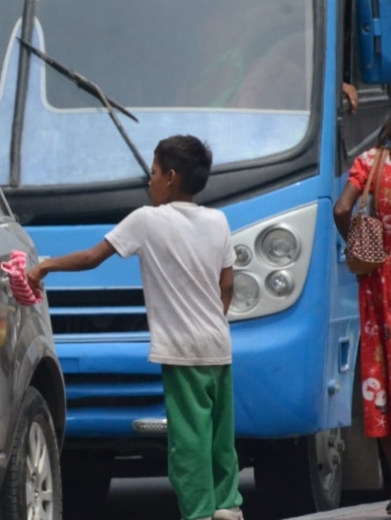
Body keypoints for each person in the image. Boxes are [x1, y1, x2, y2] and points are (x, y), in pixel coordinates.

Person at [27, 135, 243, 520]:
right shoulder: (219, 220)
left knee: (188, 440)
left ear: (171, 177)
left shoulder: (147, 220)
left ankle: (199, 513)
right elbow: (227, 285)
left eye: (154, 173)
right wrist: (211, 319)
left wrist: (45, 266)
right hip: (218, 345)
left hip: (182, 351)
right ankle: (228, 505)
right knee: (218, 435)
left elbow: (93, 257)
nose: (150, 181)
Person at [333, 119, 391, 513]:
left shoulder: (371, 161)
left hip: (377, 285)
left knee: (382, 385)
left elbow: (342, 208)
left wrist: (360, 243)